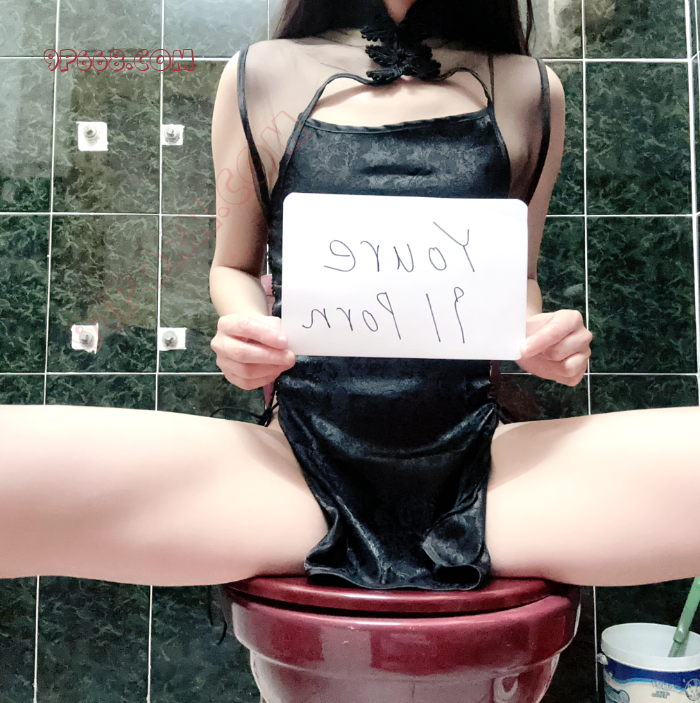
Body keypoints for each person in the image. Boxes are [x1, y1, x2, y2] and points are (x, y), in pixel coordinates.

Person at [0, 0, 697, 591]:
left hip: (482, 467)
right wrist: (246, 331)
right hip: (298, 464)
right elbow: (233, 267)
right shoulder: (260, 74)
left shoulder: (530, 89)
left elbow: (517, 278)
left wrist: (540, 337)